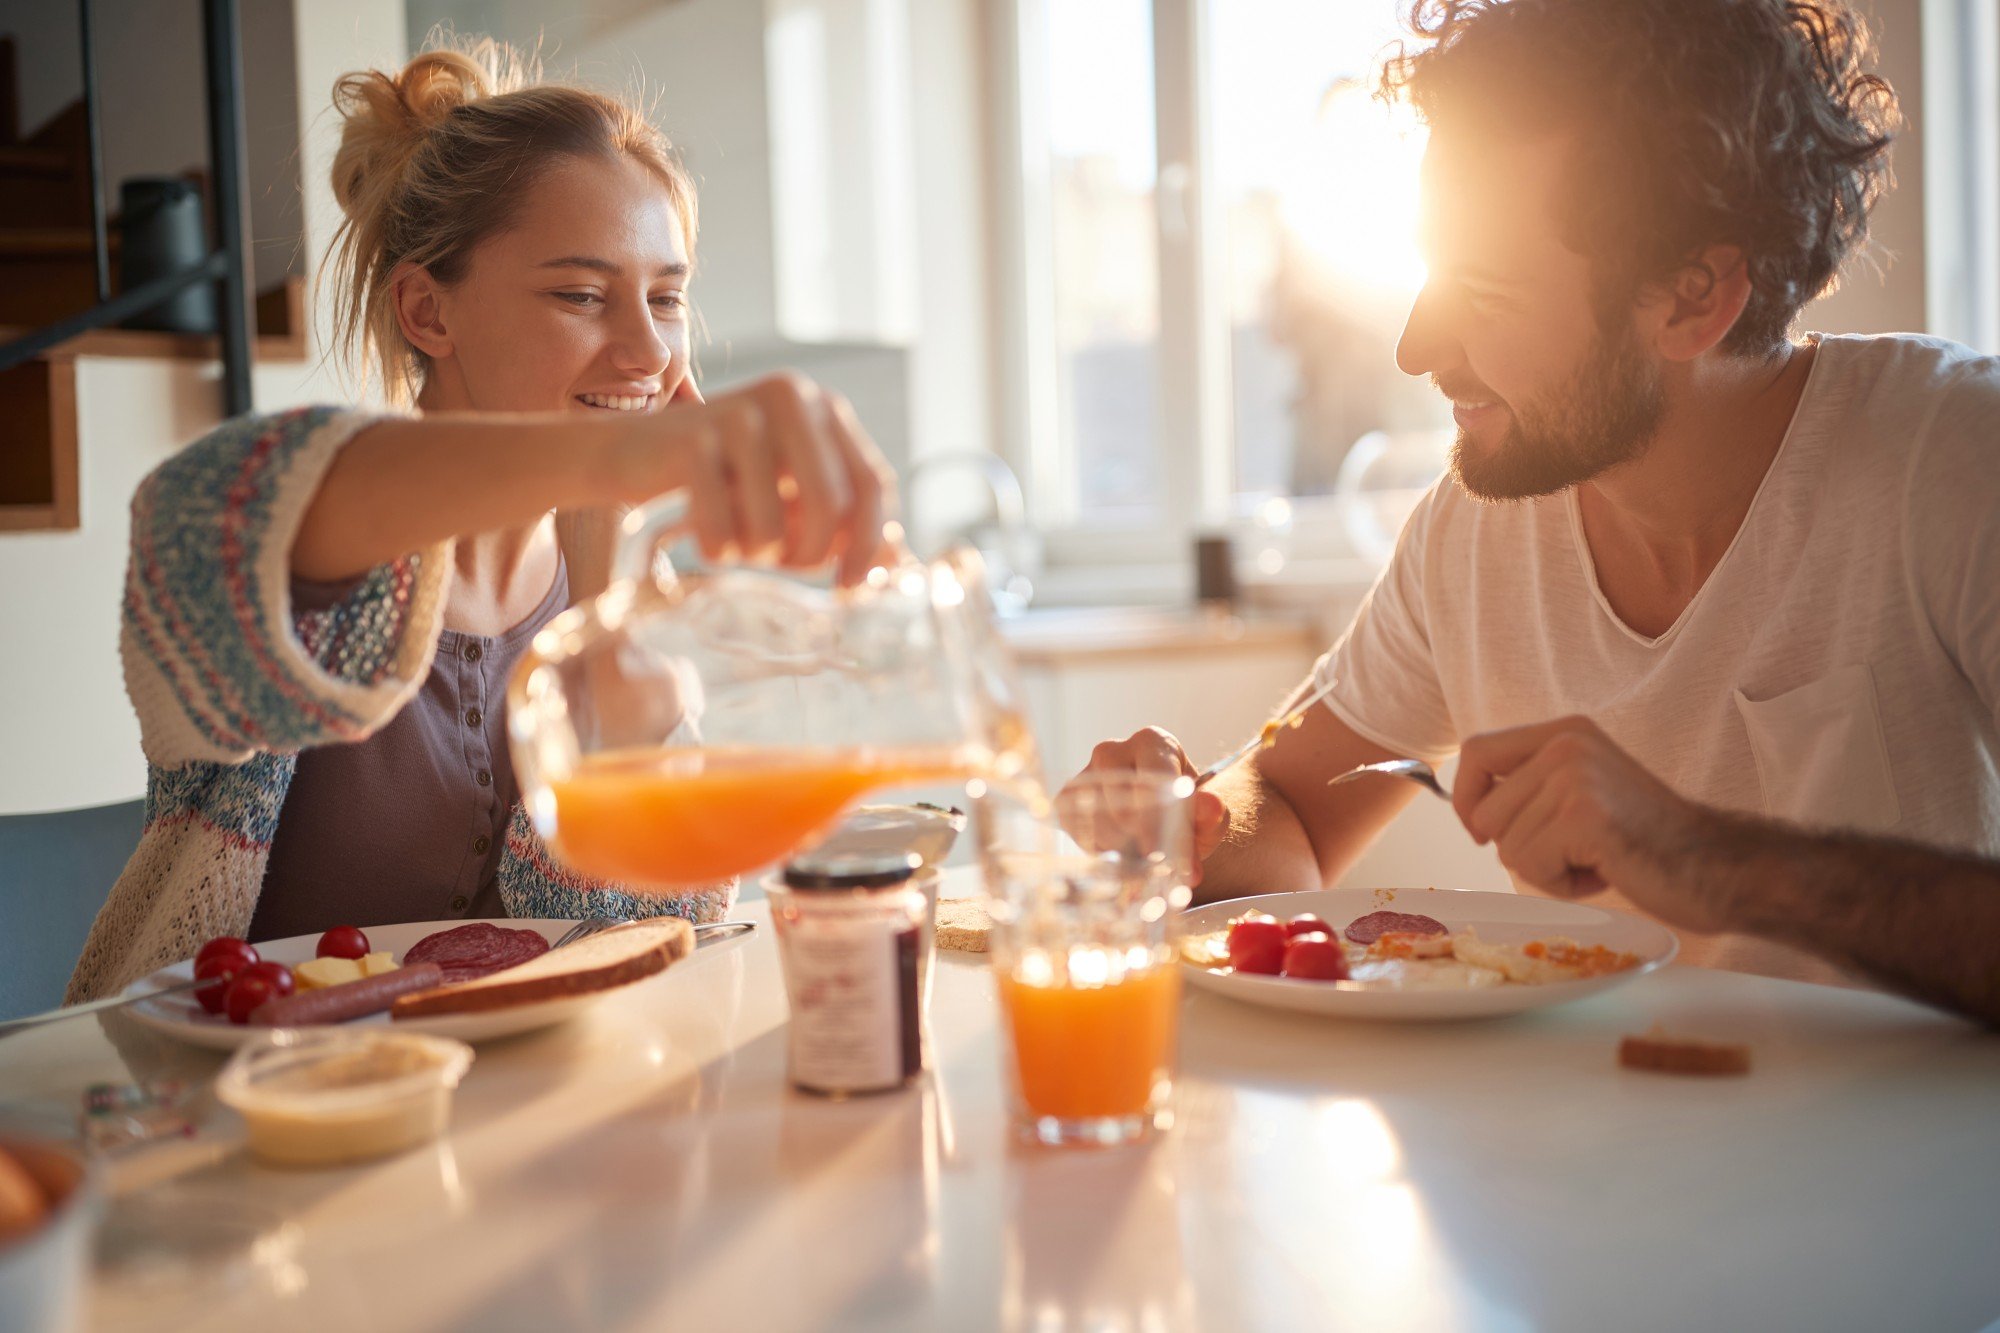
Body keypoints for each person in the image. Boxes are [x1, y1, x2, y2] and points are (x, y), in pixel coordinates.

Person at [1072, 0, 2000, 1026]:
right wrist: (1186, 821)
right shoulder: (1470, 534)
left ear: (1692, 297)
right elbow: (1286, 807)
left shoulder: (1953, 461)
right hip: (1584, 1167)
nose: (1415, 345)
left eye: (1486, 288)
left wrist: (1712, 858)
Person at [67, 42, 895, 1001]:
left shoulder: (623, 604)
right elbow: (203, 511)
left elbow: (636, 966)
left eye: (666, 298)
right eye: (581, 295)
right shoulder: (319, 565)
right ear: (426, 311)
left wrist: (604, 626)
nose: (646, 351)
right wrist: (622, 454)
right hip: (228, 1124)